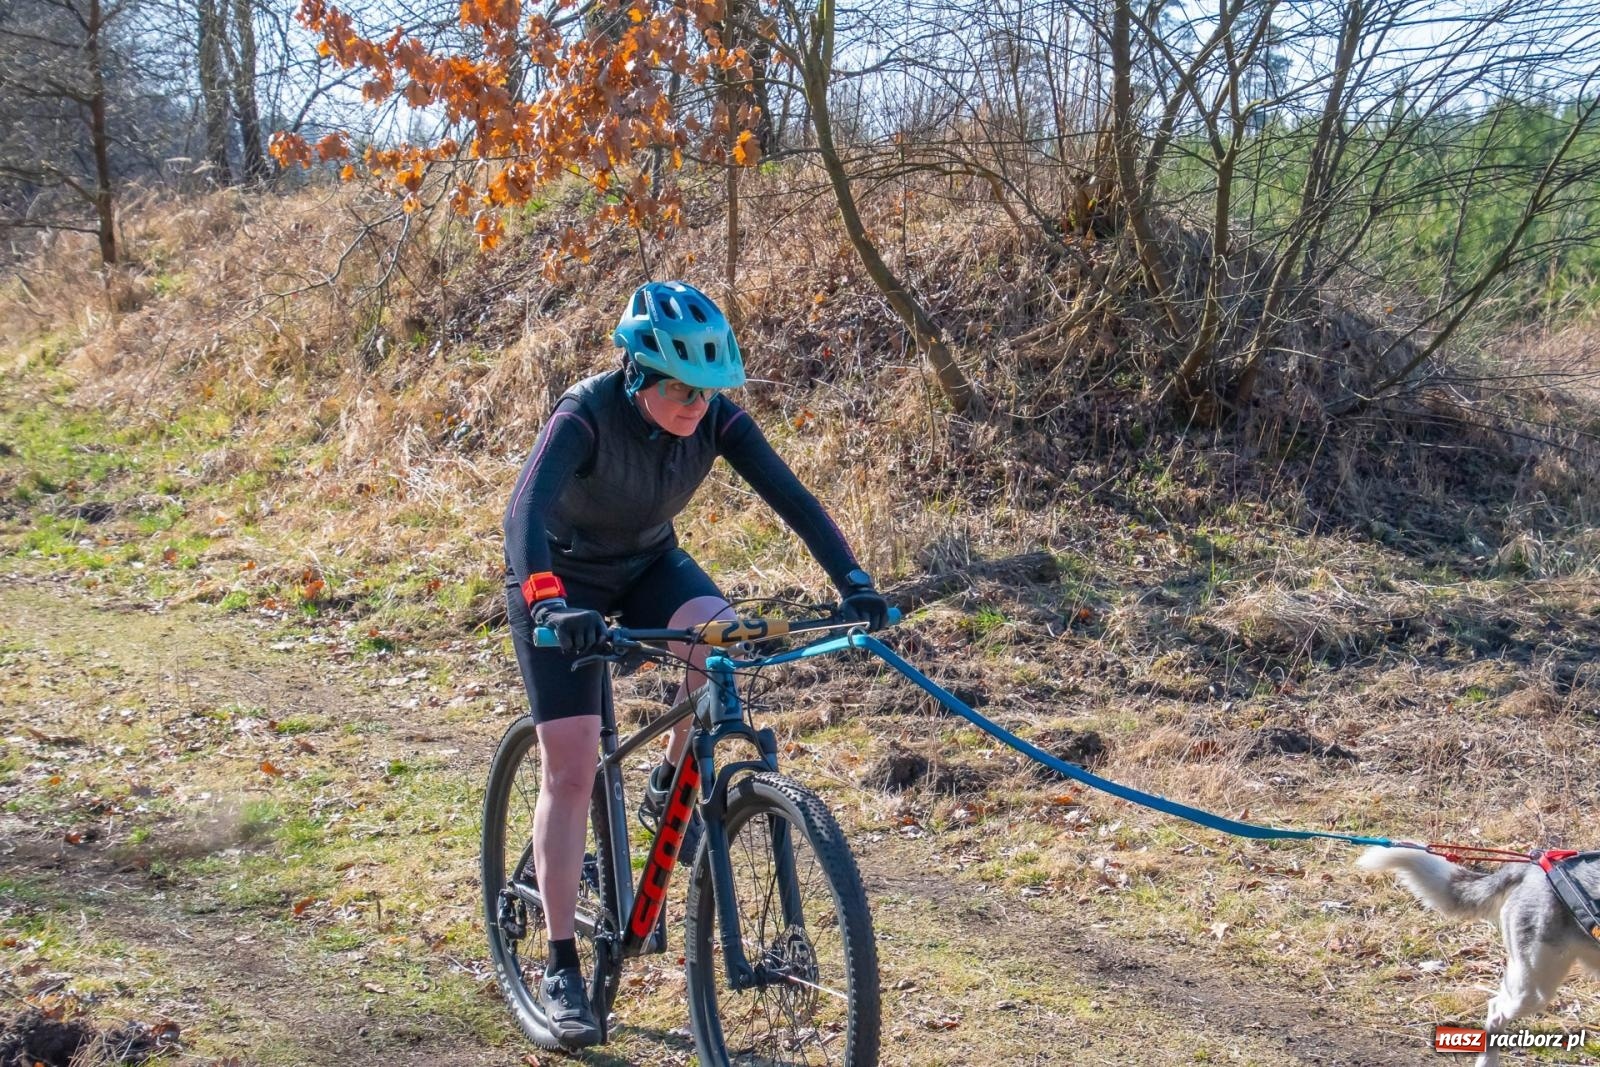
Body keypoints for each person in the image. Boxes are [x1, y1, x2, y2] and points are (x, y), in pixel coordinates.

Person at [501, 280, 889, 1049]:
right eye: (682, 388)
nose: (697, 404)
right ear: (638, 373)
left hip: (649, 565)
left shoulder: (714, 418)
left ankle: (667, 782)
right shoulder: (585, 414)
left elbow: (794, 498)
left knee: (718, 641)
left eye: (709, 389)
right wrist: (547, 603)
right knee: (571, 769)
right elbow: (523, 513)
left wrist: (854, 580)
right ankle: (561, 965)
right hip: (560, 581)